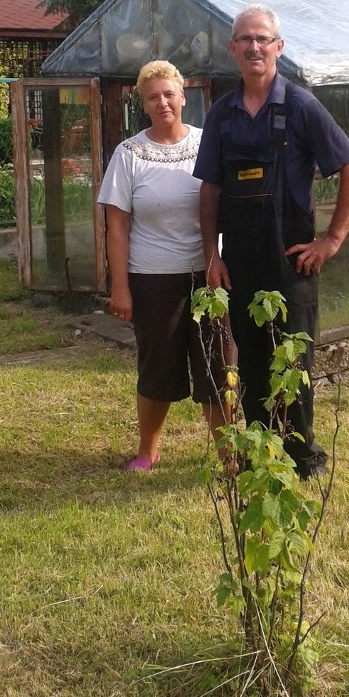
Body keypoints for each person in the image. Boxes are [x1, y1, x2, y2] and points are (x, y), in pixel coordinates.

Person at [194, 4, 349, 479]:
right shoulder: (222, 116)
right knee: (249, 361)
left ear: (278, 47)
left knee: (293, 358)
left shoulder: (301, 106)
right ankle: (257, 452)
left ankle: (300, 457)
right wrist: (213, 255)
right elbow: (209, 189)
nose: (254, 47)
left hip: (292, 263)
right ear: (233, 49)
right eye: (245, 39)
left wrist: (331, 241)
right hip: (241, 263)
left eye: (263, 39)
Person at [98, 60, 227, 471]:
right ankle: (147, 449)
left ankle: (229, 454)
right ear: (143, 103)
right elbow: (116, 226)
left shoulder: (210, 145)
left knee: (218, 363)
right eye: (153, 97)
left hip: (210, 276)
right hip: (152, 278)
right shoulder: (129, 154)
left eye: (169, 93)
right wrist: (121, 287)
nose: (163, 102)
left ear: (183, 95)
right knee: (157, 365)